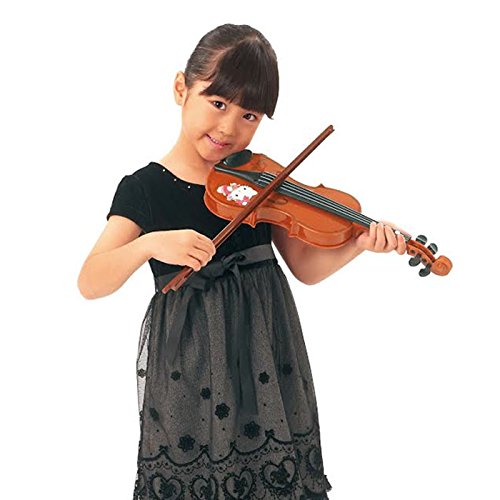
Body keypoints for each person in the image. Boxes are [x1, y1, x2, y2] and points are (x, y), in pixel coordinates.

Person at [77, 23, 407, 500]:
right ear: (181, 88)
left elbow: (305, 268)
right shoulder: (144, 188)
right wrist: (150, 245)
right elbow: (90, 281)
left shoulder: (259, 182)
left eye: (249, 114)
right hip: (190, 366)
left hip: (267, 357)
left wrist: (356, 244)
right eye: (217, 103)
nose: (229, 128)